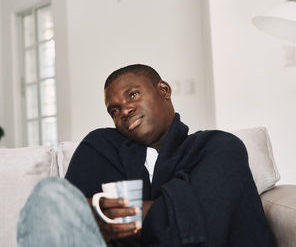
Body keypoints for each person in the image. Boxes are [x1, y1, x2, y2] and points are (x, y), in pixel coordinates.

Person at [18, 64, 276, 247]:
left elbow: (203, 227)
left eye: (133, 94)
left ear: (163, 91)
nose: (125, 110)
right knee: (48, 194)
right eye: (114, 110)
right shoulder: (101, 147)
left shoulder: (217, 146)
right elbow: (63, 221)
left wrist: (105, 219)